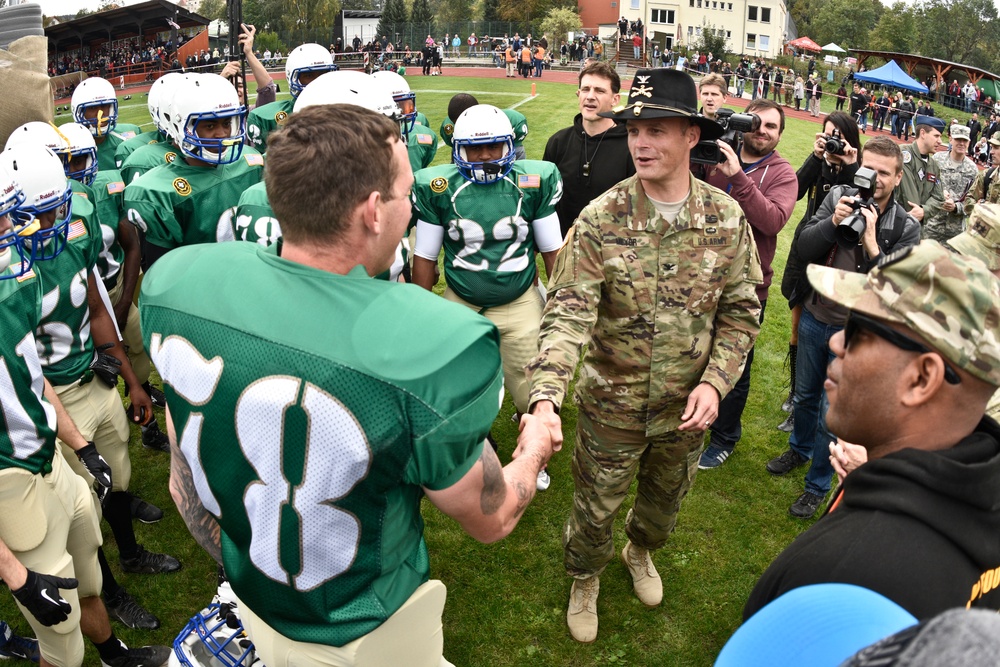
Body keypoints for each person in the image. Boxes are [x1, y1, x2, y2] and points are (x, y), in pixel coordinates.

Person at [139, 103, 558, 667]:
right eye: (406, 193)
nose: (412, 207)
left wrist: (251, 565)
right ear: (372, 212)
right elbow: (493, 517)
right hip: (365, 632)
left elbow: (183, 485)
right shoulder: (429, 344)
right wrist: (533, 447)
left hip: (248, 603)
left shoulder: (178, 283)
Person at [526, 68, 762, 643]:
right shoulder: (602, 219)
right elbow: (567, 316)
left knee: (662, 507)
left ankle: (640, 551)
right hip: (613, 405)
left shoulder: (725, 219)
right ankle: (586, 577)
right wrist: (545, 398)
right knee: (594, 507)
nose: (641, 142)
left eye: (657, 129)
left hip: (686, 410)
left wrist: (716, 383)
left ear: (690, 136)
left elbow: (741, 312)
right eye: (634, 129)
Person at [746, 240, 1000, 620]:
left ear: (921, 379)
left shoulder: (844, 580)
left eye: (858, 330)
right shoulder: (982, 498)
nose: (835, 341)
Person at [767, 136, 921, 519]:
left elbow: (896, 292)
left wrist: (871, 243)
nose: (874, 179)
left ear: (899, 177)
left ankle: (817, 485)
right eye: (869, 168)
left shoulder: (904, 226)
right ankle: (798, 449)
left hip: (857, 335)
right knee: (804, 396)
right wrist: (833, 222)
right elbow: (803, 247)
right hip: (817, 316)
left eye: (884, 173)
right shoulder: (838, 196)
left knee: (829, 415)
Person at [412, 104, 563, 490]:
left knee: (532, 391)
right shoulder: (436, 186)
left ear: (509, 146)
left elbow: (552, 251)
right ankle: (466, 456)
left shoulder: (534, 180)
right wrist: (417, 309)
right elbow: (426, 255)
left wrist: (562, 301)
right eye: (474, 150)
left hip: (519, 299)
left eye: (493, 148)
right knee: (445, 387)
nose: (483, 157)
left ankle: (535, 457)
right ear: (456, 150)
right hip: (462, 300)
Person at [697, 98, 797, 468]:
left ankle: (724, 437)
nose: (762, 131)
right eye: (757, 122)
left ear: (780, 135)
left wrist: (738, 176)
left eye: (772, 127)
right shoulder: (715, 153)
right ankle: (693, 418)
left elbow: (771, 221)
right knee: (692, 353)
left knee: (734, 368)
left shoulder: (783, 172)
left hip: (747, 288)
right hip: (699, 277)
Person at [124, 73, 264, 269]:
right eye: (209, 125)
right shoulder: (159, 192)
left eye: (226, 123)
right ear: (182, 127)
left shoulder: (251, 161)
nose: (222, 134)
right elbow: (162, 274)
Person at [779, 112, 861, 433]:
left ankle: (818, 402)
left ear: (851, 140)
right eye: (828, 134)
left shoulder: (858, 169)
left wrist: (851, 164)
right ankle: (795, 396)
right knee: (798, 327)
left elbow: (862, 199)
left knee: (827, 336)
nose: (833, 141)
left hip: (838, 258)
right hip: (809, 248)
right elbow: (794, 191)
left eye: (839, 136)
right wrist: (816, 158)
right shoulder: (821, 162)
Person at [543, 61, 635, 237]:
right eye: (586, 89)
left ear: (615, 99)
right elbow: (545, 201)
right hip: (564, 248)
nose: (590, 96)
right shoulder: (558, 141)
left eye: (600, 91)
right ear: (578, 94)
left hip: (611, 253)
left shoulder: (631, 146)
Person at [246, 43, 336, 152]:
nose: (317, 82)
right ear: (292, 77)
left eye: (323, 74)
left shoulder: (348, 113)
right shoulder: (265, 118)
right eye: (308, 75)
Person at [926, 124, 978, 243]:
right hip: (932, 225)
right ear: (950, 139)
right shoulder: (937, 159)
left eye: (964, 140)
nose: (961, 143)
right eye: (958, 139)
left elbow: (973, 200)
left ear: (969, 142)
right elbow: (925, 186)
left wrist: (956, 207)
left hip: (955, 232)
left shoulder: (972, 169)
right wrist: (939, 194)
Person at [896, 115, 946, 225]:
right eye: (936, 136)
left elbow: (939, 198)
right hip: (897, 222)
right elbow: (907, 194)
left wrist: (924, 210)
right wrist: (915, 213)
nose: (940, 141)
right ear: (922, 133)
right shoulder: (902, 153)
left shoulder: (934, 166)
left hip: (915, 228)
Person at [219, 23, 276, 110]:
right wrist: (221, 79)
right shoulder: (216, 118)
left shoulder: (253, 114)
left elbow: (268, 91)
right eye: (231, 87)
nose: (236, 90)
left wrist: (249, 52)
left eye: (240, 86)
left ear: (246, 91)